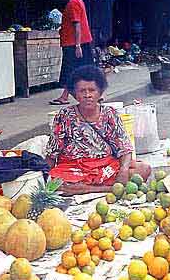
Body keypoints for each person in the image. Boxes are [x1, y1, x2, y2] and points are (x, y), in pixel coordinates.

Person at [46, 65, 151, 195]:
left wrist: (123, 170)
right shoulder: (64, 116)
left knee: (143, 169)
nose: (87, 95)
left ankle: (89, 189)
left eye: (92, 90)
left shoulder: (110, 114)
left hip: (105, 166)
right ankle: (105, 188)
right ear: (74, 94)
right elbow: (52, 153)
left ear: (100, 92)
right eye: (82, 91)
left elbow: (125, 148)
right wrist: (45, 178)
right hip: (74, 168)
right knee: (57, 182)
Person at [50, 0, 93, 106]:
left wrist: (78, 45)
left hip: (73, 43)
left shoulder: (73, 3)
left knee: (71, 71)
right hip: (78, 42)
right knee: (78, 70)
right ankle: (67, 96)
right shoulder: (78, 0)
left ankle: (67, 97)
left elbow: (77, 25)